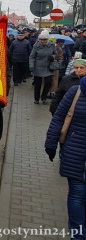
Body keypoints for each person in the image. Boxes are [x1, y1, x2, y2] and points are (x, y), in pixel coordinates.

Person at [45, 76, 86, 239]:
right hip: (76, 153)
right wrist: (51, 143)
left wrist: (50, 144)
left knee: (77, 195)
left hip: (73, 152)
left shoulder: (75, 91)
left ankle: (78, 234)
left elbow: (59, 117)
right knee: (78, 193)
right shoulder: (75, 92)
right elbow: (59, 117)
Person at [29, 29, 56, 104]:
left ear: (47, 39)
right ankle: (36, 99)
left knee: (48, 82)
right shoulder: (36, 45)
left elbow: (55, 54)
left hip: (48, 67)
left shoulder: (52, 45)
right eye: (41, 39)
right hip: (38, 67)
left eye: (44, 39)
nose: (42, 41)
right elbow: (32, 57)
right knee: (37, 84)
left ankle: (43, 97)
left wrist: (53, 57)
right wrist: (31, 66)